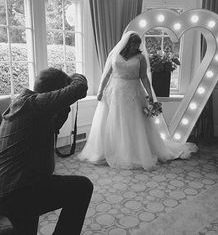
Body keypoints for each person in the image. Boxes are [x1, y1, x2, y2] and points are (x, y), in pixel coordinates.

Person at [78, 31, 198, 171]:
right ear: (127, 43)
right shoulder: (115, 55)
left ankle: (134, 152)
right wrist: (100, 90)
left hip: (134, 91)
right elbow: (107, 74)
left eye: (137, 44)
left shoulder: (140, 58)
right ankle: (110, 150)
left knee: (134, 121)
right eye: (134, 43)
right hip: (115, 91)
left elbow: (144, 77)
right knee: (113, 120)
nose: (136, 46)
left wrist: (150, 94)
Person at [0, 68, 93, 235]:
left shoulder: (24, 103)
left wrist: (63, 107)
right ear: (54, 93)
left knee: (27, 228)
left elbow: (53, 128)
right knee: (83, 187)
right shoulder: (34, 104)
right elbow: (79, 88)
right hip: (20, 188)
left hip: (16, 186)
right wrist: (74, 77)